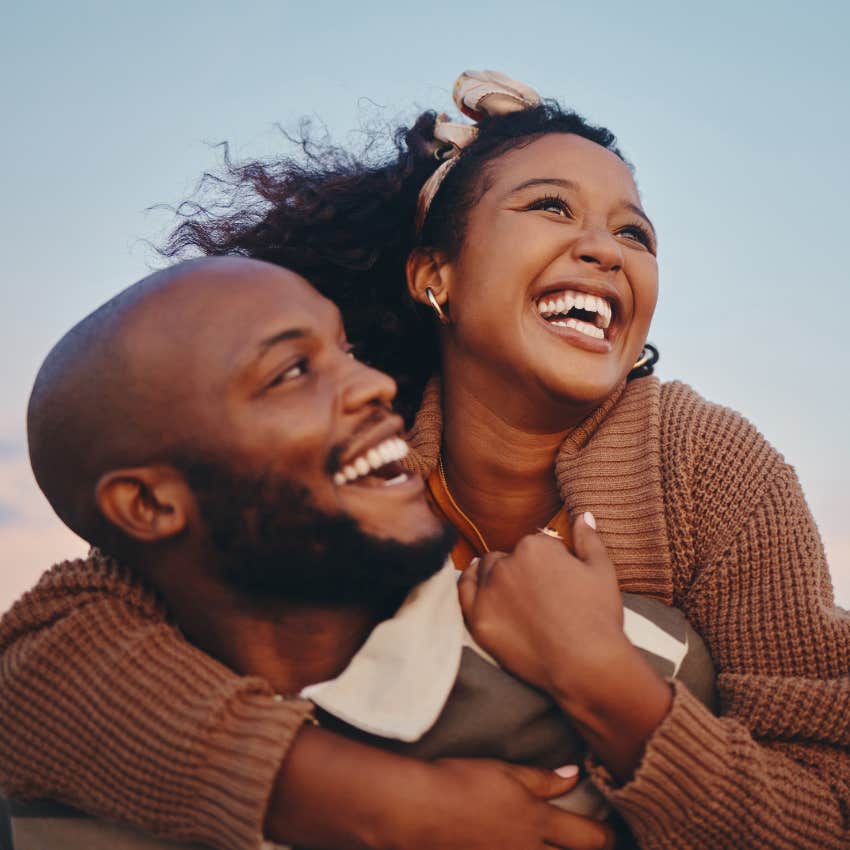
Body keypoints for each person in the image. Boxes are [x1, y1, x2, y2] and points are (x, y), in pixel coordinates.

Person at [2, 70, 848, 849]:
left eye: (636, 232)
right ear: (434, 274)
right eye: (551, 207)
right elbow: (41, 663)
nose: (606, 248)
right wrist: (388, 805)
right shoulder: (357, 431)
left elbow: (829, 807)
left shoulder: (709, 467)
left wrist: (603, 680)